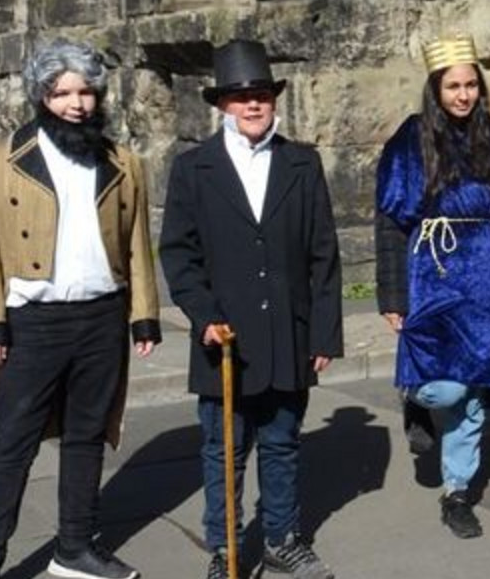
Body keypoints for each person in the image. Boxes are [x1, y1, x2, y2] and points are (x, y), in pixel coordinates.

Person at [0, 40, 161, 579]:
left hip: (101, 318)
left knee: (87, 435)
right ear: (41, 96)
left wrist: (144, 313)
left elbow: (137, 246)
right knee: (10, 445)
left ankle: (74, 549)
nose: (76, 104)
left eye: (86, 92)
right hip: (33, 322)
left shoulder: (122, 162)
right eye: (62, 93)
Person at [159, 39, 342, 579]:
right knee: (225, 450)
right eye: (241, 97)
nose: (253, 105)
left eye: (261, 94)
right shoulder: (195, 168)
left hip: (288, 330)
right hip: (225, 337)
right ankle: (225, 548)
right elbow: (179, 254)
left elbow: (323, 254)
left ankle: (283, 538)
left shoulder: (301, 162)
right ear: (222, 105)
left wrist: (325, 336)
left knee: (283, 442)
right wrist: (203, 314)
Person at [374, 35, 490, 539]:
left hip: (484, 272)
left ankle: (457, 491)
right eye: (453, 87)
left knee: (471, 387)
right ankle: (419, 402)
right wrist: (393, 295)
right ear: (435, 89)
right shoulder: (410, 140)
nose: (463, 96)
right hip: (431, 272)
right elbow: (389, 224)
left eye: (470, 86)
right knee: (443, 384)